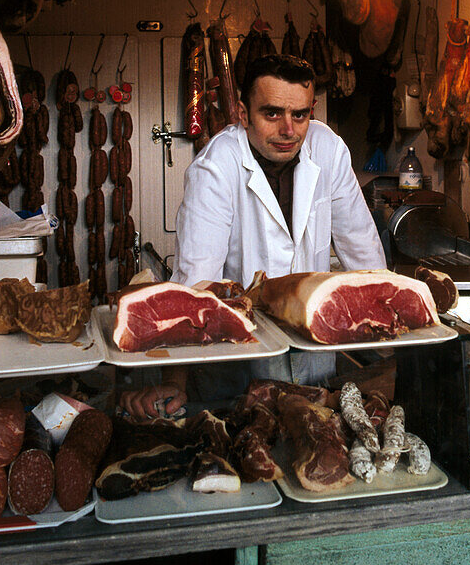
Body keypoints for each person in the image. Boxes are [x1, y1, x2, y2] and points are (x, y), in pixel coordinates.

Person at [121, 53, 386, 419]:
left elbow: (364, 253)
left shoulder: (329, 149)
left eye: (301, 115)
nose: (288, 130)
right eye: (272, 113)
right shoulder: (216, 166)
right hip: (237, 367)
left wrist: (397, 338)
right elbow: (197, 284)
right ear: (244, 114)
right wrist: (176, 381)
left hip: (315, 359)